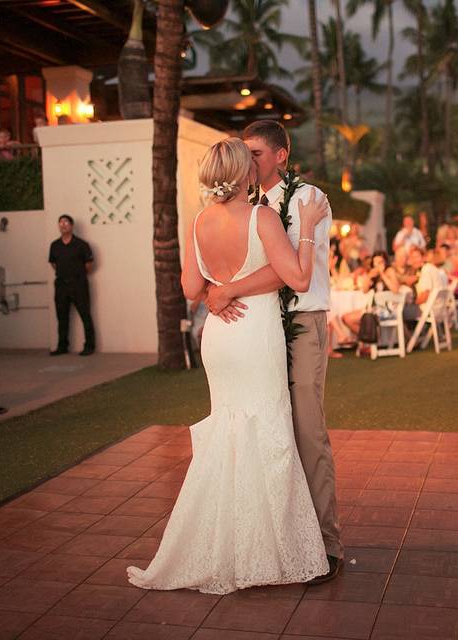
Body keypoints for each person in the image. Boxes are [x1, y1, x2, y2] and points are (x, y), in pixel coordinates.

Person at [127, 137, 330, 594]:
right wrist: (307, 230)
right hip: (255, 335)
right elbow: (298, 277)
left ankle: (222, 546)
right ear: (243, 174)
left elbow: (191, 287)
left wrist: (224, 290)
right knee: (266, 432)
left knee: (229, 432)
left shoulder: (199, 221)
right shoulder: (261, 217)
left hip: (219, 336)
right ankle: (266, 550)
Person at [202, 121, 343, 585]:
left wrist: (225, 290)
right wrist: (220, 291)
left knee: (305, 428)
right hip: (260, 326)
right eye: (246, 153)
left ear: (281, 155)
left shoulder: (306, 199)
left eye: (257, 153)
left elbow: (292, 275)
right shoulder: (247, 206)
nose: (250, 161)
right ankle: (275, 538)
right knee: (266, 428)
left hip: (301, 321)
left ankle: (324, 543)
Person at [48, 214, 95, 356]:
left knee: (85, 314)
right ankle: (62, 346)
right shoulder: (55, 245)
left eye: (66, 222)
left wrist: (77, 275)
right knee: (61, 317)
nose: (63, 225)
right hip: (61, 285)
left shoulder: (82, 245)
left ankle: (89, 346)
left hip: (78, 284)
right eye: (60, 222)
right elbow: (53, 263)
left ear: (72, 226)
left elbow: (89, 265)